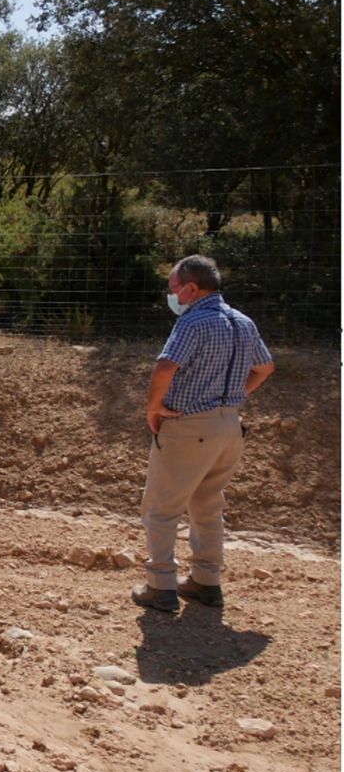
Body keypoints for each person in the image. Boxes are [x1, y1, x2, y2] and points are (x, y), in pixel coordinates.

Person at [132, 255, 275, 613]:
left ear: (191, 288)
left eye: (173, 289)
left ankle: (160, 585)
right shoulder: (243, 322)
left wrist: (153, 408)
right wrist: (235, 397)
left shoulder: (194, 321)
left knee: (161, 509)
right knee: (208, 505)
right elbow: (266, 367)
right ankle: (206, 582)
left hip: (189, 426)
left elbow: (165, 366)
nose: (172, 296)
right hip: (229, 427)